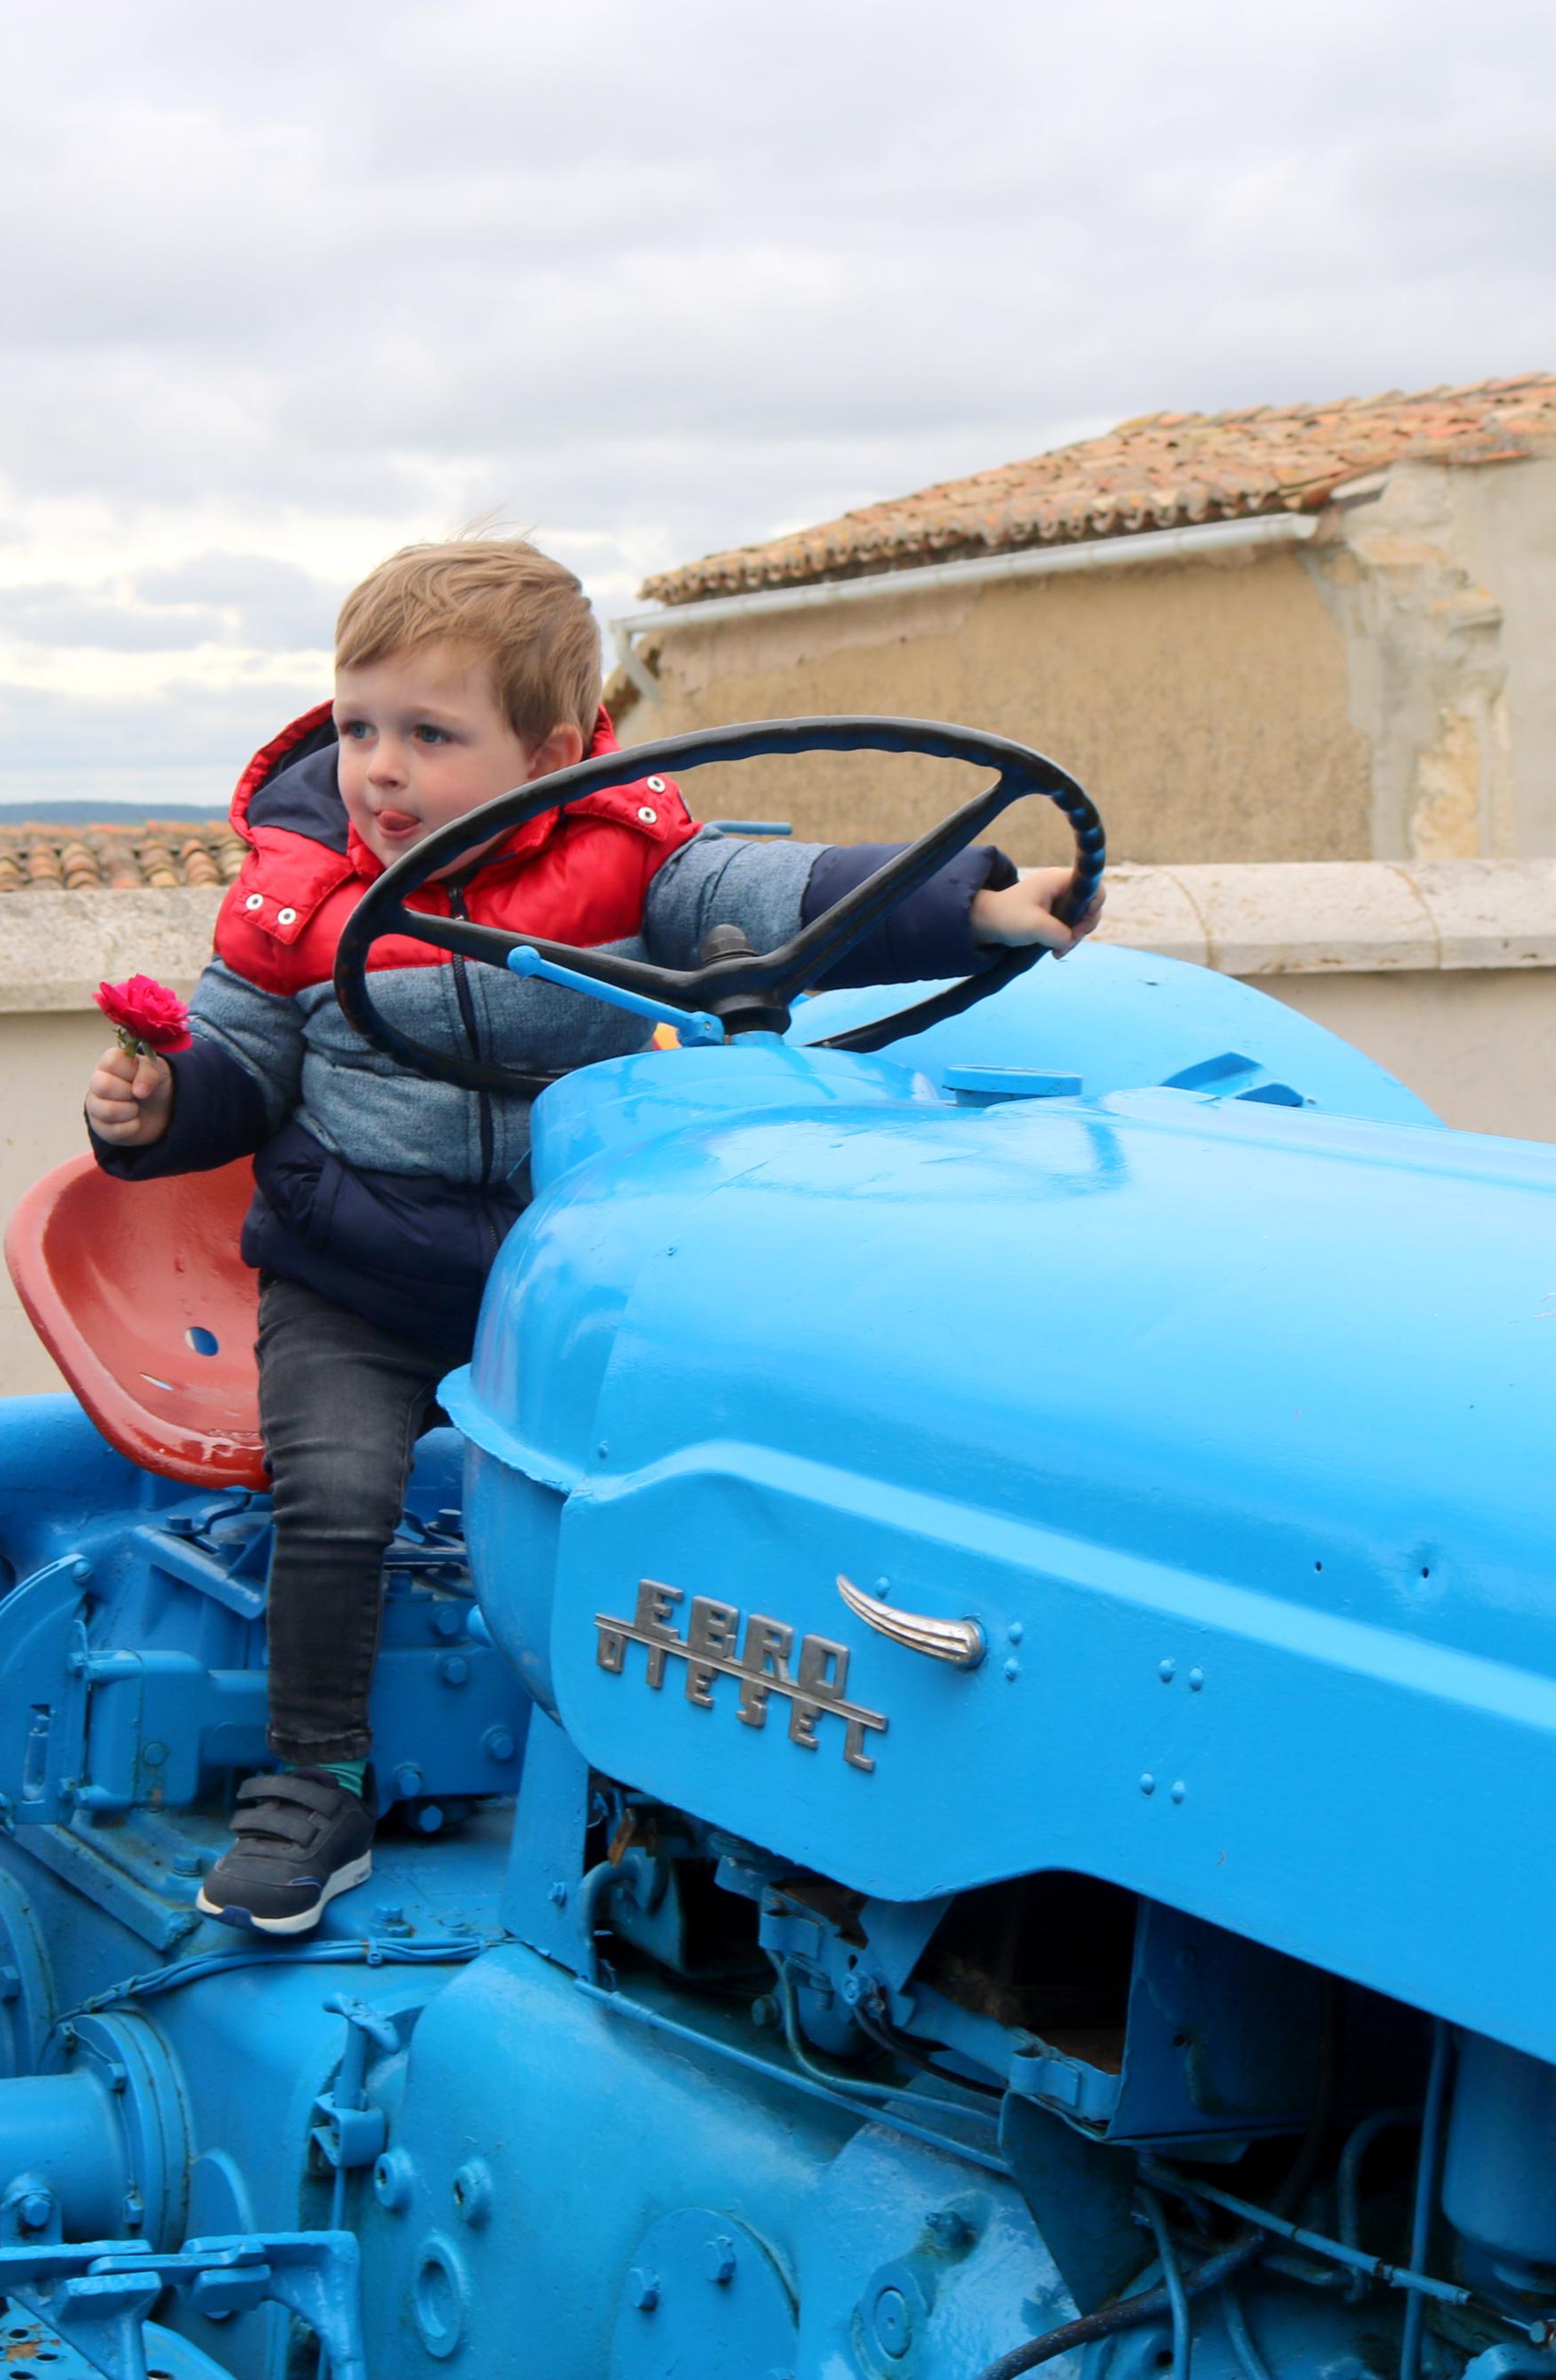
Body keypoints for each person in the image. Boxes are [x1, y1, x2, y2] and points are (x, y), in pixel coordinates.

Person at [84, 540, 1098, 1932]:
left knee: (720, 1461)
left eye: (430, 736)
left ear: (549, 750)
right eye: (358, 725)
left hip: (568, 1269)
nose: (378, 769)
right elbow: (241, 1067)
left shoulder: (629, 858)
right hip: (357, 1278)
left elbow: (771, 891)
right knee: (333, 1493)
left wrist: (969, 901)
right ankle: (312, 1780)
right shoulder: (294, 891)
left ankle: (688, 1765)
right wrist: (157, 1106)